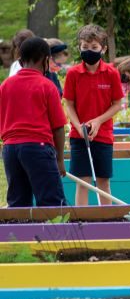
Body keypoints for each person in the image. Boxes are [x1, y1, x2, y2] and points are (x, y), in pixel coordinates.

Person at [0, 37, 67, 207]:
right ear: (46, 60)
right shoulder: (46, 85)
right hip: (38, 148)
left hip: (10, 150)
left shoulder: (5, 85)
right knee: (52, 203)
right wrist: (59, 160)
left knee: (18, 205)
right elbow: (58, 127)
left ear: (20, 61)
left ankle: (17, 235)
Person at [63, 24, 124, 206]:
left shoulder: (111, 73)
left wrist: (98, 121)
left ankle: (106, 221)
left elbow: (117, 104)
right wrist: (78, 126)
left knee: (103, 180)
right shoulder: (73, 74)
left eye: (94, 48)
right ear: (79, 48)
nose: (89, 51)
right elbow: (69, 105)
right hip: (79, 136)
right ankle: (82, 221)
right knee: (84, 181)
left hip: (104, 135)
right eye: (85, 47)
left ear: (103, 49)